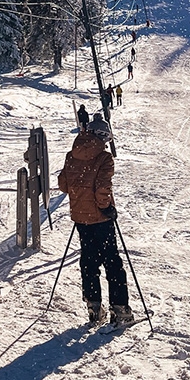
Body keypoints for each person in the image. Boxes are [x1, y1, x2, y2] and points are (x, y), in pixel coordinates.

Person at [58, 126, 134, 327]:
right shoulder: (104, 158)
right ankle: (120, 309)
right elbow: (102, 187)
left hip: (81, 218)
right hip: (100, 218)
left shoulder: (71, 155)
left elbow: (63, 185)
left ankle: (94, 306)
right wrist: (106, 207)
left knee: (89, 261)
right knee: (112, 262)